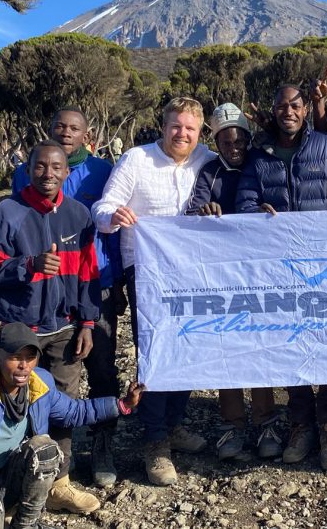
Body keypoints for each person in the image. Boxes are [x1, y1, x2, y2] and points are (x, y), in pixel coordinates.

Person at [0, 322, 144, 529]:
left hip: (12, 476)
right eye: (15, 357)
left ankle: (25, 523)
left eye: (30, 357)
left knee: (45, 449)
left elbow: (74, 412)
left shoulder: (40, 384)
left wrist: (122, 405)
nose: (24, 365)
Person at [91, 97, 217, 486]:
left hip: (191, 271)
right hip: (145, 270)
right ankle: (154, 441)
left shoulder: (206, 160)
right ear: (163, 127)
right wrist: (113, 217)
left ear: (200, 133)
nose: (182, 134)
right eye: (176, 126)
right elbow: (103, 205)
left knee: (188, 347)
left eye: (190, 128)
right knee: (155, 352)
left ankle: (174, 425)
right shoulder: (136, 159)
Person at [235, 84, 327, 471]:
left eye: (295, 105)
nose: (287, 111)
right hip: (280, 271)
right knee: (291, 344)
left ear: (305, 110)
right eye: (280, 106)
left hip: (325, 270)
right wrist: (259, 214)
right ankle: (301, 423)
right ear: (272, 112)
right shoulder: (259, 157)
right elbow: (244, 202)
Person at [0, 140, 102, 514]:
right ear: (29, 170)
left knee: (62, 402)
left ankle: (58, 483)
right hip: (20, 329)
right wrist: (25, 266)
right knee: (13, 405)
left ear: (66, 172)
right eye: (41, 167)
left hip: (65, 327)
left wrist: (87, 322)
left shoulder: (79, 215)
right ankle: (13, 485)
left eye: (56, 167)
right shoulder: (8, 212)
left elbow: (89, 274)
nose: (48, 174)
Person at [10, 108, 125, 489]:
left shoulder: (103, 171)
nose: (66, 132)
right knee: (51, 373)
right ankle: (50, 457)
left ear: (87, 133)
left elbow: (114, 227)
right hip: (44, 291)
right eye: (60, 125)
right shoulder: (26, 172)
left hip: (97, 283)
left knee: (102, 368)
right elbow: (17, 228)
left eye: (75, 127)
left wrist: (119, 280)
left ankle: (103, 446)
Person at [184, 103, 283, 461]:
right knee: (227, 345)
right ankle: (231, 424)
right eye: (226, 141)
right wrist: (203, 212)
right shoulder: (210, 171)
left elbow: (279, 198)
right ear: (217, 142)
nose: (234, 146)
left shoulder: (261, 163)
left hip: (261, 275)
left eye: (240, 139)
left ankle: (267, 422)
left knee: (259, 346)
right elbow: (191, 211)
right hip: (222, 277)